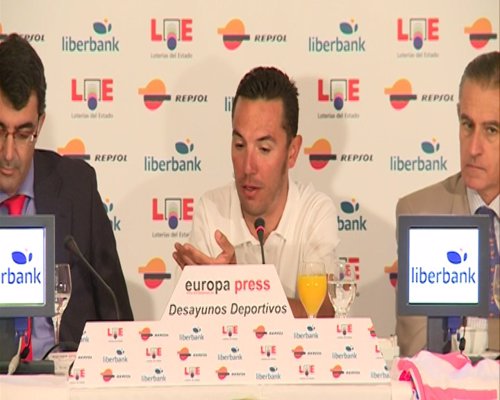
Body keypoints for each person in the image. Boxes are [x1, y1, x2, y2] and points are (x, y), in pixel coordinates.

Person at [0, 33, 133, 361]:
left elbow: (118, 319)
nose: (8, 153)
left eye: (23, 134)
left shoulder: (78, 189)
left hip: (67, 378)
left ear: (40, 124)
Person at [173, 66, 339, 317]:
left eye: (264, 149)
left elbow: (325, 312)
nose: (248, 167)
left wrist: (236, 288)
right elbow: (184, 320)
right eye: (240, 145)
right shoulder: (211, 210)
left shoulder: (314, 211)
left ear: (292, 152)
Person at [395, 51, 499, 357]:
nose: (474, 147)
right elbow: (420, 348)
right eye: (467, 125)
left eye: (491, 130)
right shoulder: (422, 212)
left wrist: (471, 331)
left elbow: (449, 337)